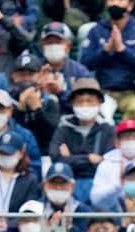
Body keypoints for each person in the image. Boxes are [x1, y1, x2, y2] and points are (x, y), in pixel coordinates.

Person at [79, 0, 135, 122]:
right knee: (95, 112)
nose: (115, 4)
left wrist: (123, 50)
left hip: (130, 92)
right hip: (103, 92)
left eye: (120, 0)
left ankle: (122, 137)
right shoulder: (96, 30)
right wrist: (105, 51)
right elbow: (85, 63)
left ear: (130, 6)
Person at [49, 78, 116, 206]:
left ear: (99, 103)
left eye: (90, 101)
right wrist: (89, 158)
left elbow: (108, 162)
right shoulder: (63, 129)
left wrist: (70, 158)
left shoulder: (108, 130)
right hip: (67, 184)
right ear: (72, 104)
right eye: (80, 102)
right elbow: (56, 159)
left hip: (100, 184)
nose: (85, 105)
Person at [41, 163, 96, 232]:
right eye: (54, 183)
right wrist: (47, 231)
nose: (58, 188)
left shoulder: (83, 211)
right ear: (45, 185)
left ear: (72, 186)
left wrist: (70, 228)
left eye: (63, 183)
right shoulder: (36, 208)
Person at [38, 22, 92, 106]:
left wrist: (61, 92)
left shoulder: (80, 72)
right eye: (49, 43)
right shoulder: (35, 68)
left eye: (58, 42)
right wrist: (39, 88)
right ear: (42, 46)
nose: (53, 46)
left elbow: (87, 104)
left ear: (68, 45)